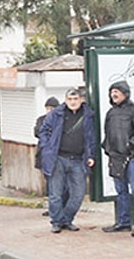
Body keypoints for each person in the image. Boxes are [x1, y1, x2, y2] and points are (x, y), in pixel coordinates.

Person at [39, 88, 96, 234]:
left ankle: (67, 219)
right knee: (56, 194)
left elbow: (92, 137)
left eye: (75, 99)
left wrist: (91, 155)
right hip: (58, 158)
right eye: (70, 99)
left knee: (78, 194)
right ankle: (57, 222)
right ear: (65, 100)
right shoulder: (56, 113)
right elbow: (43, 130)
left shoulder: (88, 114)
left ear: (81, 100)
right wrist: (47, 148)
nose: (73, 102)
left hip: (78, 159)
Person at [101, 80, 134, 237]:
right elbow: (107, 133)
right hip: (115, 157)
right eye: (111, 91)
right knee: (120, 191)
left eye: (117, 91)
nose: (113, 94)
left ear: (125, 93)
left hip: (132, 157)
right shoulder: (110, 112)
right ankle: (123, 222)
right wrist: (107, 148)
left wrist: (130, 144)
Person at [34, 96, 60, 217]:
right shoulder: (41, 120)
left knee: (58, 184)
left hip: (58, 156)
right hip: (45, 156)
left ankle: (58, 208)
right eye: (48, 108)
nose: (49, 110)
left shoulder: (61, 119)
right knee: (49, 183)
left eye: (52, 108)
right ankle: (52, 208)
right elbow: (38, 132)